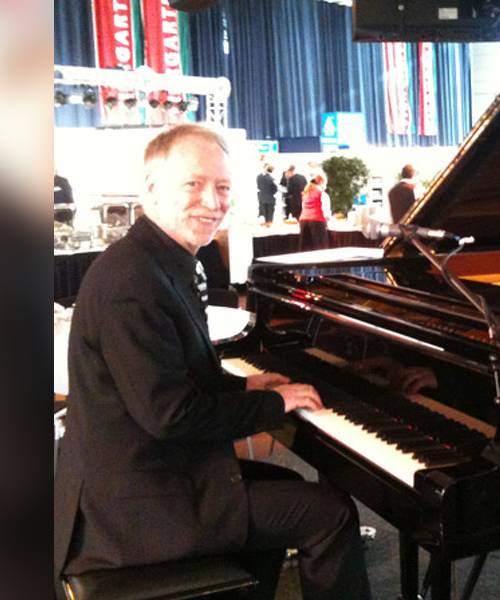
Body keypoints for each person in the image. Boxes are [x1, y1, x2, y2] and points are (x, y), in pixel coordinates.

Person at [53, 124, 371, 600]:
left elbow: (179, 377)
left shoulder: (156, 261)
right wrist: (275, 404)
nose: (213, 201)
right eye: (194, 184)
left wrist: (245, 387)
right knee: (330, 514)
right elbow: (172, 415)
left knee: (290, 488)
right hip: (133, 508)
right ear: (152, 188)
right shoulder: (134, 282)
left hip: (142, 474)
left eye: (222, 187)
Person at [298, 173, 330, 251]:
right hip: (317, 221)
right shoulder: (322, 194)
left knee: (305, 249)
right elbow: (325, 211)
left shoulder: (306, 193)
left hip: (303, 221)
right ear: (321, 182)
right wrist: (327, 223)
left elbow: (303, 207)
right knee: (320, 249)